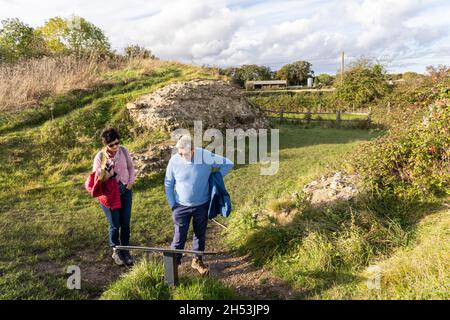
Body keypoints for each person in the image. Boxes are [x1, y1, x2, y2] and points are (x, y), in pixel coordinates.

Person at [164, 135, 234, 275]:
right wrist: (173, 204)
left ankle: (197, 260)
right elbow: (168, 183)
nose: (182, 156)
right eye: (180, 153)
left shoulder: (205, 156)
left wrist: (215, 177)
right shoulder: (174, 161)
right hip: (180, 206)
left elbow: (228, 163)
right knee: (179, 238)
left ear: (193, 150)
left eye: (185, 153)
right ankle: (172, 267)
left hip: (202, 205)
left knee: (200, 234)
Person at [93, 128, 135, 266]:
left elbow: (130, 167)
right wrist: (106, 170)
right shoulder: (100, 157)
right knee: (115, 224)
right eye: (111, 145)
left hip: (125, 191)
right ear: (106, 144)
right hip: (110, 195)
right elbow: (97, 177)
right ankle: (116, 250)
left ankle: (126, 250)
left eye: (117, 143)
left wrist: (130, 183)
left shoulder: (123, 151)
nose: (115, 147)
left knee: (125, 223)